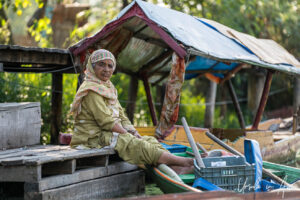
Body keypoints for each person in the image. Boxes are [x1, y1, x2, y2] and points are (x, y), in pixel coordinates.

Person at [70, 49, 194, 174]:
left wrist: (134, 132)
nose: (106, 69)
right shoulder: (91, 90)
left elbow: (121, 115)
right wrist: (127, 134)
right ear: (92, 66)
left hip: (108, 133)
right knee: (133, 143)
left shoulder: (108, 87)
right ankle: (183, 162)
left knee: (149, 140)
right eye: (101, 64)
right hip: (92, 138)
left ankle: (174, 168)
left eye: (110, 65)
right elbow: (105, 121)